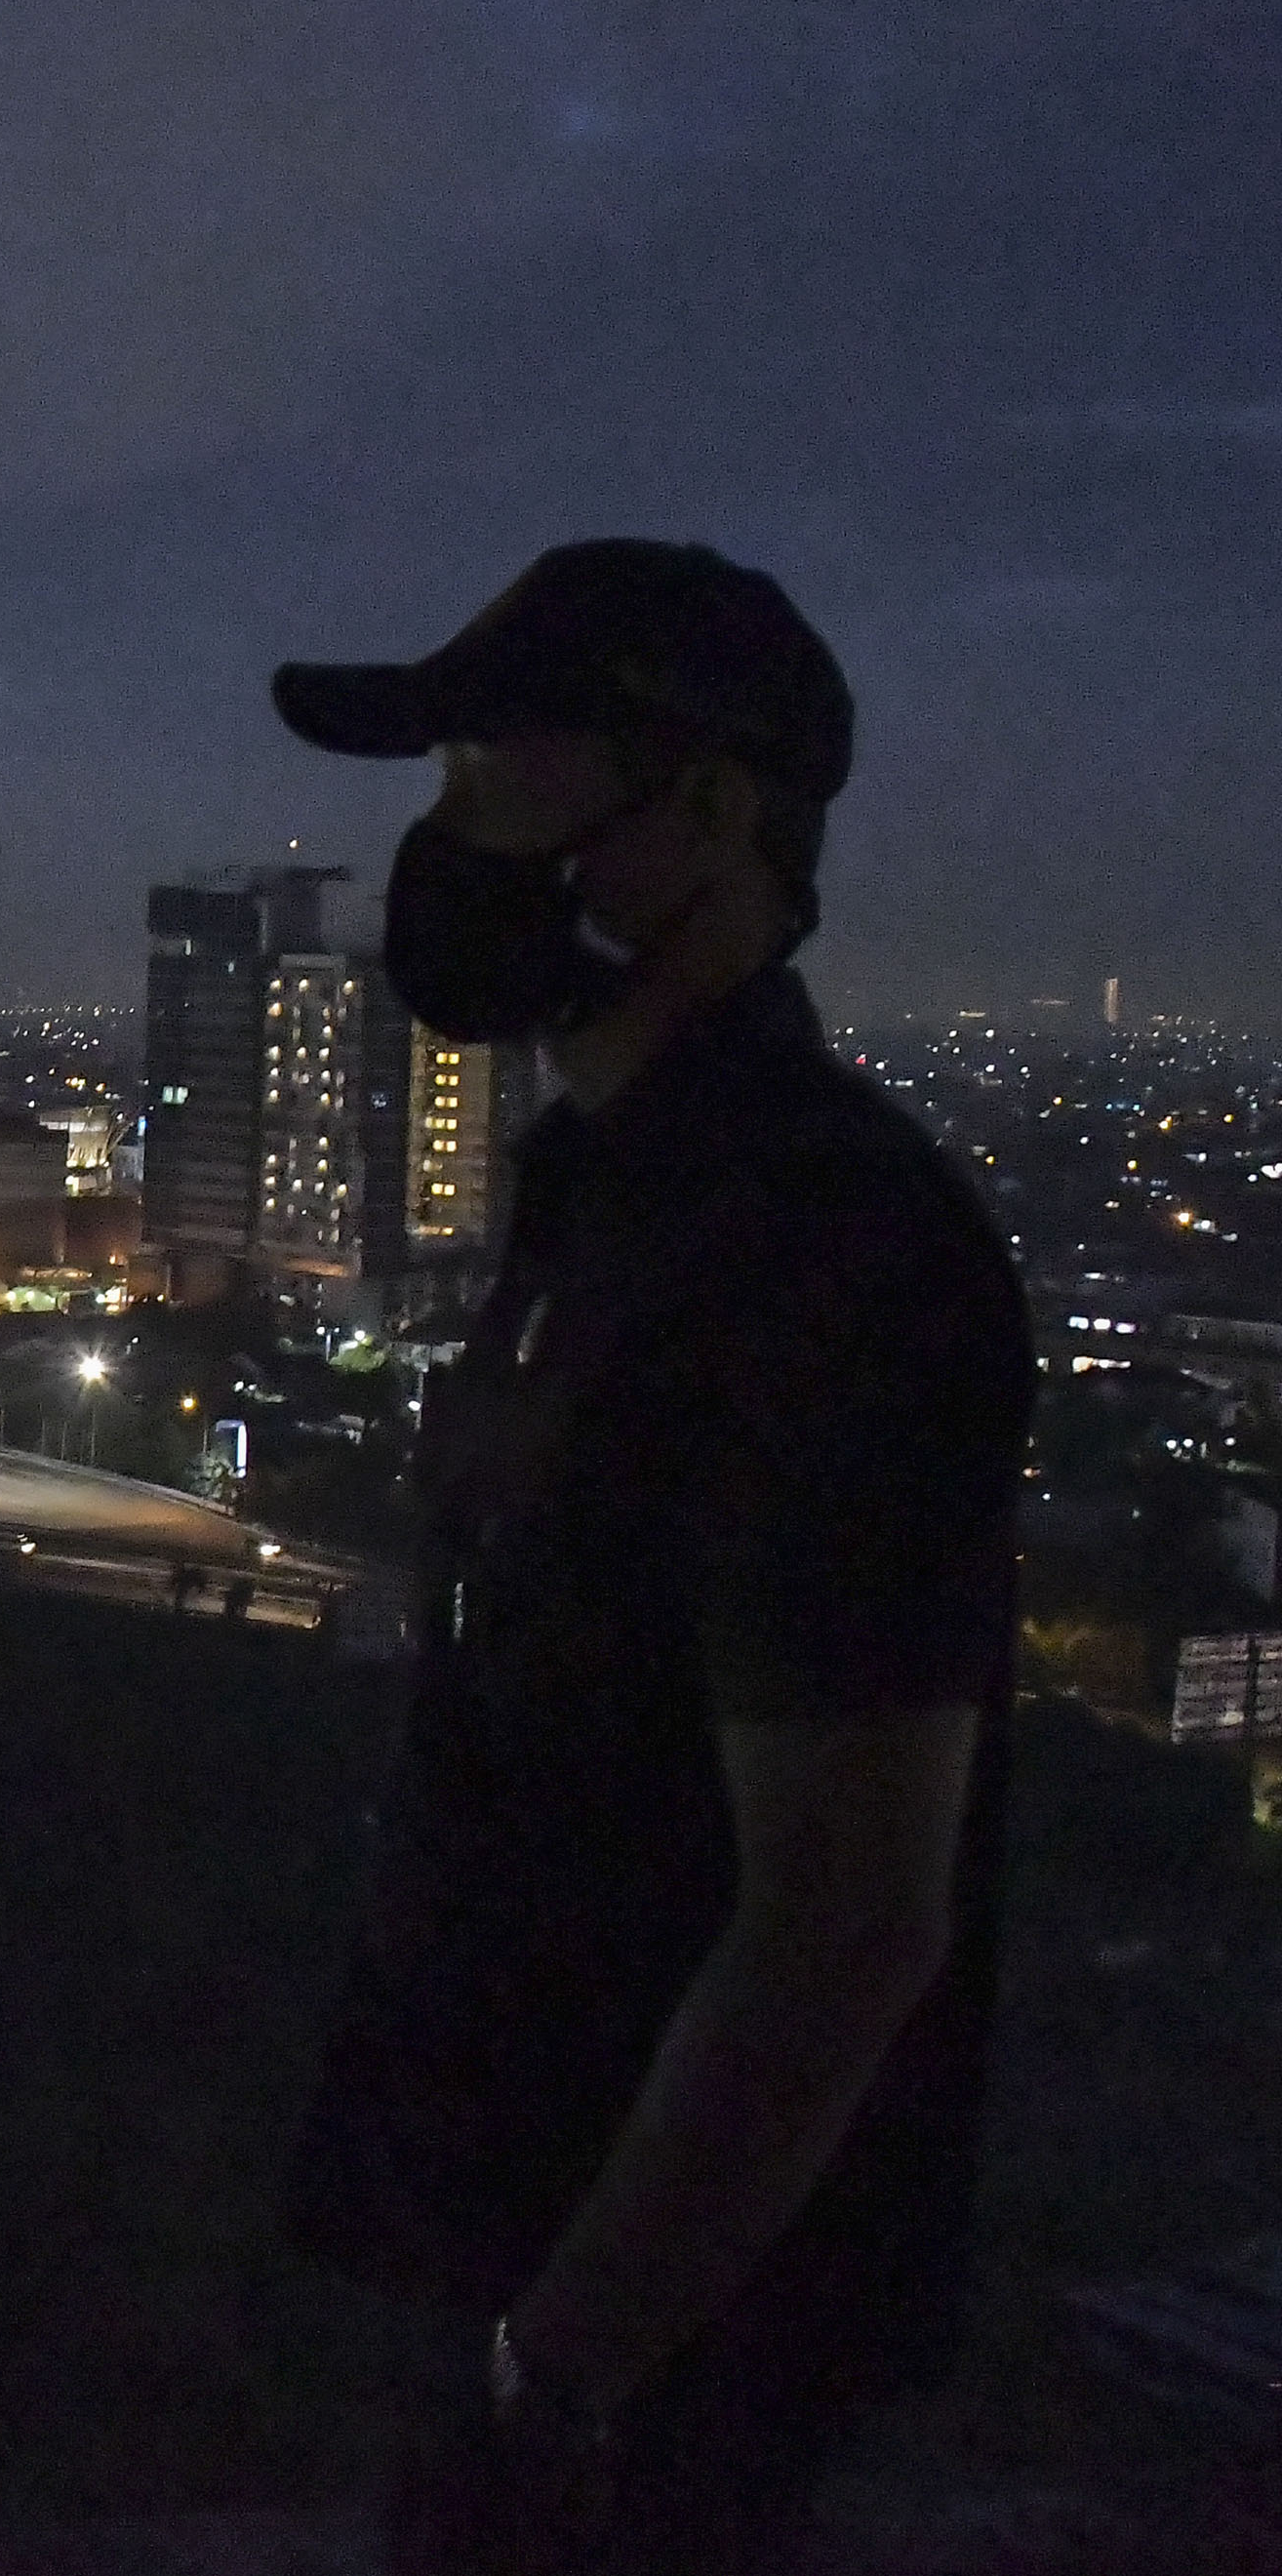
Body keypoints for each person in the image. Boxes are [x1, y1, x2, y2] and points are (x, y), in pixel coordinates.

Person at [266, 542, 1035, 2571]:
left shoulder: (822, 1247)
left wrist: (558, 2378)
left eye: (491, 771)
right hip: (507, 2265)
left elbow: (845, 1918)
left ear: (700, 809)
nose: (442, 840)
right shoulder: (606, 1192)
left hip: (663, 2376)